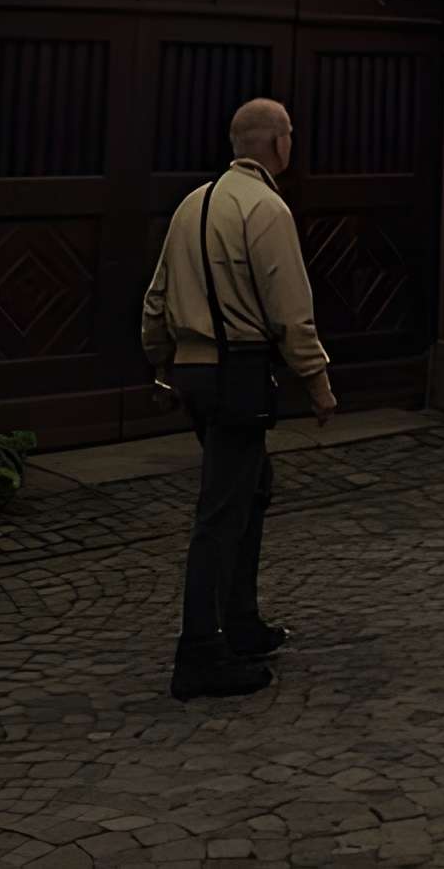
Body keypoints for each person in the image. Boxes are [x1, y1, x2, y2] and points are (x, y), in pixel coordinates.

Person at [141, 96, 337, 700]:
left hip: (195, 371)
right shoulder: (266, 209)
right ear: (279, 144)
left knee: (252, 487)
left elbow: (156, 299)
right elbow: (290, 308)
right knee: (224, 508)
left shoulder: (191, 205)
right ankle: (200, 650)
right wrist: (317, 381)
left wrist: (162, 364)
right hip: (238, 372)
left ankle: (242, 622)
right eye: (290, 135)